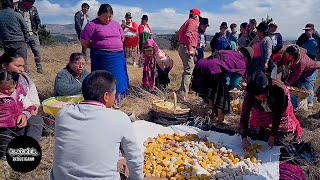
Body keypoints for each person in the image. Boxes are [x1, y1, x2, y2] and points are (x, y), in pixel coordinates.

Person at [51, 70, 143, 180]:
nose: (115, 99)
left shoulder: (63, 115)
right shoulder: (120, 118)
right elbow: (135, 158)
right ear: (106, 96)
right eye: (114, 95)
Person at [240, 71, 303, 151]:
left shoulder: (279, 91)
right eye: (255, 95)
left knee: (283, 133)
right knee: (255, 130)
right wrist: (244, 138)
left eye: (259, 95)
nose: (257, 97)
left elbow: (278, 115)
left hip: (279, 107)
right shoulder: (250, 94)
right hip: (261, 107)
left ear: (266, 91)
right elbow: (244, 116)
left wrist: (272, 135)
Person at [80, 4, 129, 104]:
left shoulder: (115, 24)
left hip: (117, 57)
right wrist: (96, 46)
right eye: (106, 16)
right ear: (99, 14)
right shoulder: (92, 25)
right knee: (103, 79)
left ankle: (118, 98)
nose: (108, 19)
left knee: (119, 77)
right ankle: (102, 99)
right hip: (101, 58)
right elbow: (84, 40)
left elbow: (122, 38)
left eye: (110, 16)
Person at [191, 47, 253, 123]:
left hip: (200, 66)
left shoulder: (229, 52)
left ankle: (212, 115)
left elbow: (219, 59)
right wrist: (227, 89)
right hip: (213, 69)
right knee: (222, 96)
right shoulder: (242, 63)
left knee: (211, 93)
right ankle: (221, 120)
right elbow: (235, 83)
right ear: (247, 59)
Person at [0, 51, 44, 159]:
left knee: (37, 120)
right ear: (4, 65)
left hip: (18, 122)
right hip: (3, 128)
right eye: (18, 66)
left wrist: (24, 114)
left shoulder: (22, 80)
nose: (22, 69)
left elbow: (31, 104)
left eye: (23, 66)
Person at [13, 0, 43, 74]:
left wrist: (36, 31)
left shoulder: (33, 9)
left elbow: (38, 21)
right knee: (23, 53)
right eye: (31, 2)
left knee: (37, 51)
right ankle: (25, 70)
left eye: (33, 2)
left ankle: (39, 69)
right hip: (21, 35)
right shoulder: (15, 6)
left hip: (32, 33)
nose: (32, 4)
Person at [177, 8, 201, 101]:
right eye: (199, 17)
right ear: (196, 16)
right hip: (187, 48)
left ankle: (181, 91)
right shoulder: (193, 22)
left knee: (188, 69)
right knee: (188, 70)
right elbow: (188, 34)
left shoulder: (187, 22)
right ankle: (182, 95)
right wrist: (190, 48)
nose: (199, 19)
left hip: (183, 47)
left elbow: (180, 33)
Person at [0, 0, 28, 71]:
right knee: (22, 64)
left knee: (10, 63)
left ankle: (10, 80)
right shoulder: (17, 14)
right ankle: (23, 80)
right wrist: (26, 40)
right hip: (19, 42)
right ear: (12, 5)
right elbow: (25, 28)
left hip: (6, 42)